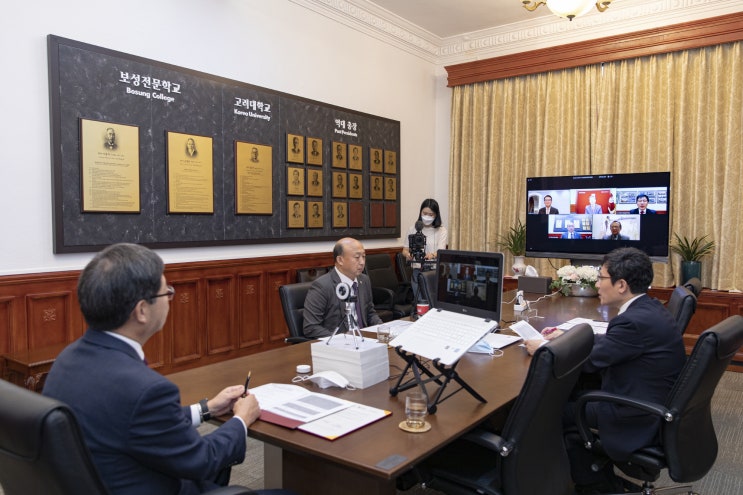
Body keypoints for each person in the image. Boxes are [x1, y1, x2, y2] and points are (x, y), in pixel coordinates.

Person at [42, 243, 291, 495]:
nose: (171, 299)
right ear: (142, 310)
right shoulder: (146, 389)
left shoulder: (67, 360)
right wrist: (241, 420)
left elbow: (136, 420)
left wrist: (206, 409)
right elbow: (201, 460)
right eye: (167, 292)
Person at [525, 247, 685, 493]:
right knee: (571, 394)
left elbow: (588, 362)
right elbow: (613, 346)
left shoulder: (631, 322)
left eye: (601, 278)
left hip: (634, 413)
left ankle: (592, 485)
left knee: (550, 411)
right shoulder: (648, 308)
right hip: (652, 400)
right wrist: (565, 336)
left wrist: (544, 347)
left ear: (621, 285)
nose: (597, 284)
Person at [303, 238, 383, 339]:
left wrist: (382, 328)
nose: (362, 262)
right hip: (339, 342)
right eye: (357, 257)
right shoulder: (322, 286)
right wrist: (343, 339)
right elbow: (311, 328)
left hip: (364, 338)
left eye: (363, 256)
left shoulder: (364, 280)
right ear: (340, 260)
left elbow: (370, 313)